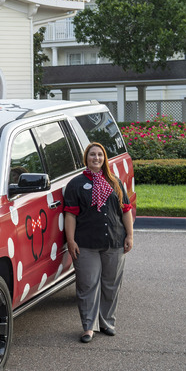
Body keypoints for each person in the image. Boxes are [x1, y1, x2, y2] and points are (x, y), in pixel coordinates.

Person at [63, 142, 134, 343]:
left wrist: (129, 236)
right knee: (87, 285)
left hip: (114, 240)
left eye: (100, 155)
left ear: (104, 159)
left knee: (111, 284)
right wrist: (71, 240)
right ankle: (88, 327)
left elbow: (126, 209)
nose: (96, 158)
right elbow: (70, 214)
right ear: (86, 158)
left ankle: (107, 323)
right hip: (85, 243)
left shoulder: (114, 182)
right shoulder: (76, 184)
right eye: (92, 155)